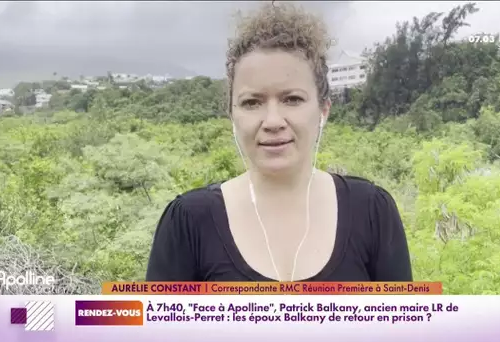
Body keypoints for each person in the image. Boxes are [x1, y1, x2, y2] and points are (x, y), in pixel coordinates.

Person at [145, 3, 412, 282]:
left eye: (292, 99)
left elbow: (404, 324)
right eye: (252, 102)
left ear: (324, 110)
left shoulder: (371, 213)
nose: (273, 121)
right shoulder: (188, 223)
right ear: (232, 114)